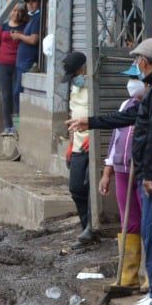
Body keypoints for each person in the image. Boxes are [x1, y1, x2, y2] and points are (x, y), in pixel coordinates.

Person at [68, 37, 152, 305]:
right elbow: (131, 118)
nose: (136, 65)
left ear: (145, 62)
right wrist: (90, 122)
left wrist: (149, 172)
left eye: (137, 60)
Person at [98, 63, 147, 290]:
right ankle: (128, 276)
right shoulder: (126, 105)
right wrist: (107, 172)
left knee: (147, 221)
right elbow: (115, 139)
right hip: (121, 169)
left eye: (136, 78)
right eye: (130, 79)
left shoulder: (150, 106)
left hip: (141, 172)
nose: (131, 84)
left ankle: (148, 276)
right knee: (129, 221)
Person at [63, 51, 94, 248]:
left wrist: (94, 137)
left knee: (91, 188)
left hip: (92, 143)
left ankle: (92, 229)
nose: (75, 79)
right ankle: (85, 228)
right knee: (76, 187)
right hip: (77, 144)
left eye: (76, 74)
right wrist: (70, 143)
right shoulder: (74, 88)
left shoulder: (95, 87)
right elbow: (74, 116)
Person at [0, 4, 25, 136]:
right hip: (3, 65)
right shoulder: (3, 26)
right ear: (10, 12)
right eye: (14, 10)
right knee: (6, 95)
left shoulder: (25, 27)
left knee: (16, 95)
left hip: (18, 66)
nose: (17, 13)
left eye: (20, 11)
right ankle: (8, 126)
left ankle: (17, 126)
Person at [13, 0, 42, 121]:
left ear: (40, 2)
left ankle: (20, 126)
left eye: (34, 1)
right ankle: (18, 125)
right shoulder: (32, 18)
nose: (30, 4)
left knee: (19, 94)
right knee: (17, 94)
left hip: (27, 64)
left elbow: (33, 40)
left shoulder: (38, 18)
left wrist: (19, 36)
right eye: (28, 2)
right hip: (22, 63)